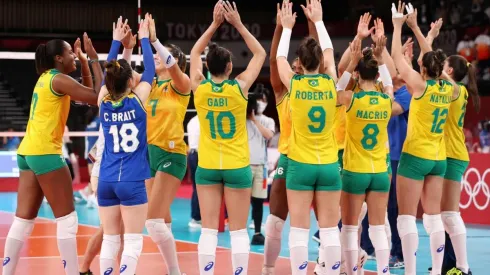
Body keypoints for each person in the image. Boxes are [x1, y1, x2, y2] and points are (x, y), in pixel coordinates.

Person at [2, 32, 102, 275]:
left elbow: (84, 98)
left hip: (27, 152)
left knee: (23, 222)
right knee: (67, 221)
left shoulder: (48, 78)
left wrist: (83, 61)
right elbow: (97, 97)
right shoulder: (58, 80)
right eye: (69, 53)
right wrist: (93, 58)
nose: (73, 56)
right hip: (46, 152)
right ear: (58, 58)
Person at [190, 1, 266, 274]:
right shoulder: (240, 88)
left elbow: (196, 50)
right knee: (238, 232)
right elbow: (259, 53)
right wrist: (237, 23)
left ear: (207, 68)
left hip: (208, 166)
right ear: (231, 67)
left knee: (208, 231)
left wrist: (214, 24)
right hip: (237, 167)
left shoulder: (198, 87)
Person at [391, 3, 459, 275]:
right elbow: (432, 64)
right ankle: (437, 270)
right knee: (433, 220)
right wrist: (419, 31)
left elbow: (396, 56)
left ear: (424, 67)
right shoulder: (450, 89)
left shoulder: (418, 87)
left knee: (406, 218)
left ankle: (409, 271)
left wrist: (398, 26)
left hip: (414, 157)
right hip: (438, 159)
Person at [276, 1, 341, 274]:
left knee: (300, 230)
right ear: (322, 63)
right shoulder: (330, 82)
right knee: (329, 230)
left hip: (300, 164)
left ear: (300, 63)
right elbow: (329, 52)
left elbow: (280, 59)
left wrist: (287, 28)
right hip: (328, 164)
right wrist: (320, 21)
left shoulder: (294, 82)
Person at [263, 1, 325, 273]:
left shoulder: (319, 82)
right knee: (276, 222)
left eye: (300, 60)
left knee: (328, 225)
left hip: (319, 158)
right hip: (290, 158)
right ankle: (267, 267)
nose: (296, 63)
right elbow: (274, 59)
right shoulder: (283, 89)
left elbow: (318, 53)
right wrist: (279, 27)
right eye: (294, 61)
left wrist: (312, 22)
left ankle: (328, 265)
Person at [132, 14, 191, 275]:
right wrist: (126, 44)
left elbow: (172, 66)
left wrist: (154, 41)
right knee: (162, 219)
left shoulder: (181, 85)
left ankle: (175, 271)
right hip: (149, 156)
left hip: (172, 154)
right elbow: (122, 73)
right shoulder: (150, 84)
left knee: (152, 221)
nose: (153, 59)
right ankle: (172, 269)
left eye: (158, 56)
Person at [96, 16, 154, 275]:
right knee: (132, 240)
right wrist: (144, 37)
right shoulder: (138, 101)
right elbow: (151, 72)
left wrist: (117, 42)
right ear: (132, 83)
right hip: (132, 181)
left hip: (106, 179)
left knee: (110, 239)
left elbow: (108, 75)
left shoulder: (103, 102)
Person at [336, 36, 393, 275]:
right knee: (378, 228)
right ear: (377, 76)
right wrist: (381, 59)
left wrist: (352, 64)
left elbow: (337, 89)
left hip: (355, 171)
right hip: (380, 171)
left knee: (349, 228)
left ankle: (351, 272)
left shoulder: (351, 99)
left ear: (358, 75)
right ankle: (383, 271)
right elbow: (389, 82)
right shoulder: (386, 100)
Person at [439, 56, 480, 275]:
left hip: (453, 154)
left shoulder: (455, 88)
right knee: (444, 215)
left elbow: (435, 68)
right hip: (449, 153)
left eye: (444, 64)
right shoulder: (457, 89)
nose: (441, 67)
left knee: (450, 215)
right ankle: (448, 265)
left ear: (451, 71)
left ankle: (463, 268)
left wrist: (419, 32)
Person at [247, 85, 275, 245]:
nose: (260, 103)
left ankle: (257, 231)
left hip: (261, 166)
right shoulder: (242, 118)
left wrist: (254, 120)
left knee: (258, 200)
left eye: (263, 100)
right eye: (258, 100)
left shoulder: (268, 120)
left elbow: (268, 135)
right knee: (241, 200)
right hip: (243, 164)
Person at [187, 114, 201, 228]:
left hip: (192, 154)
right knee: (199, 187)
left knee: (197, 187)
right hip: (199, 155)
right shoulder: (202, 120)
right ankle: (196, 217)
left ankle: (196, 217)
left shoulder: (192, 120)